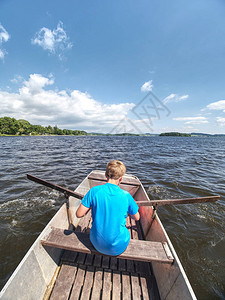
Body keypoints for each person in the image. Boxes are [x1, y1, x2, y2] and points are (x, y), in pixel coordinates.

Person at [76, 160, 140, 256]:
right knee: (126, 232)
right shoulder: (126, 195)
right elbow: (137, 217)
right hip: (118, 247)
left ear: (106, 175)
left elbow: (79, 214)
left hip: (96, 243)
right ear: (121, 179)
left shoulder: (94, 191)